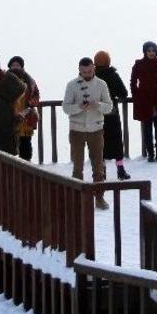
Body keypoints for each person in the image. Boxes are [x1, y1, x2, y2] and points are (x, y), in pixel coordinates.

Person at [63, 57, 113, 210]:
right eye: (84, 71)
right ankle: (77, 198)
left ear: (94, 69)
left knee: (98, 166)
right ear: (79, 70)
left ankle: (99, 198)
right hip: (76, 130)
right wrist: (79, 107)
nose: (87, 74)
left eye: (89, 71)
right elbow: (65, 107)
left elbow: (109, 107)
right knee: (77, 167)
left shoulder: (101, 84)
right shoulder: (71, 85)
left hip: (96, 129)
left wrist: (97, 105)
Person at [94, 51, 131, 180]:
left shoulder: (92, 76)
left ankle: (101, 170)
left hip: (96, 113)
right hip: (112, 113)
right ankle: (120, 170)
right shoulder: (113, 75)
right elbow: (123, 93)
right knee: (116, 142)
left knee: (99, 142)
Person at [130, 41, 157, 162]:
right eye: (149, 50)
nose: (151, 53)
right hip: (144, 100)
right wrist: (137, 95)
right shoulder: (139, 64)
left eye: (153, 50)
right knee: (147, 129)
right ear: (145, 52)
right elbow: (133, 82)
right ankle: (150, 154)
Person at [0, 69, 26, 156]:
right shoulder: (2, 103)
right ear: (11, 90)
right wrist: (18, 120)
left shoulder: (0, 97)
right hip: (4, 145)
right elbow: (6, 128)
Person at [8, 57, 40, 162]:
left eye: (17, 65)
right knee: (10, 144)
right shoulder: (5, 80)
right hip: (10, 116)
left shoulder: (29, 80)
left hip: (25, 117)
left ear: (22, 67)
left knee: (25, 143)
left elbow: (36, 95)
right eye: (13, 65)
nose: (15, 68)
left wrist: (31, 103)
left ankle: (26, 165)